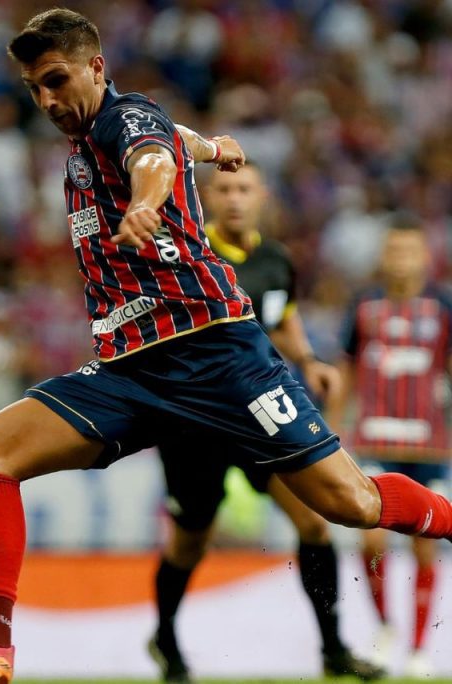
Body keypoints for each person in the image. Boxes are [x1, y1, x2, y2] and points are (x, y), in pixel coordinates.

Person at [0, 10, 452, 684]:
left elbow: (149, 154)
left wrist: (147, 202)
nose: (47, 100)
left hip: (217, 356)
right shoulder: (92, 139)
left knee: (349, 505)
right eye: (35, 88)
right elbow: (170, 140)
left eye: (57, 80)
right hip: (129, 368)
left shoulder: (127, 120)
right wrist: (211, 147)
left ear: (97, 68)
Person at [149, 163, 383, 682]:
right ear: (209, 197)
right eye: (226, 189)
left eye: (244, 189)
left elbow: (283, 318)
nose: (234, 198)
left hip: (259, 418)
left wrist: (310, 361)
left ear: (262, 197)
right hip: (195, 425)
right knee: (191, 540)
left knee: (314, 523)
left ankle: (333, 650)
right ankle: (165, 637)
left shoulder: (276, 260)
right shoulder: (188, 255)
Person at [332, 217, 452, 678]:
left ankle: (420, 649)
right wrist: (334, 424)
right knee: (372, 536)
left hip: (429, 445)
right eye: (394, 251)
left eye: (409, 251)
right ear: (384, 257)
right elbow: (346, 366)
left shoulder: (443, 307)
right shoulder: (364, 306)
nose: (401, 259)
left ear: (425, 256)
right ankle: (385, 626)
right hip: (375, 436)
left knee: (427, 545)